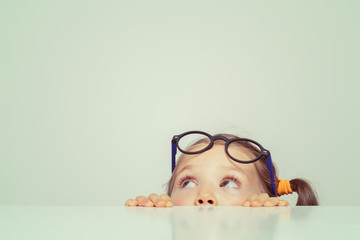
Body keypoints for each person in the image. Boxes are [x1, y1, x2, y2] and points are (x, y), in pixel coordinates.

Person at [125, 131, 319, 207]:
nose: (205, 195)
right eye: (188, 182)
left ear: (266, 198)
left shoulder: (269, 217)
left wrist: (270, 224)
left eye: (228, 182)